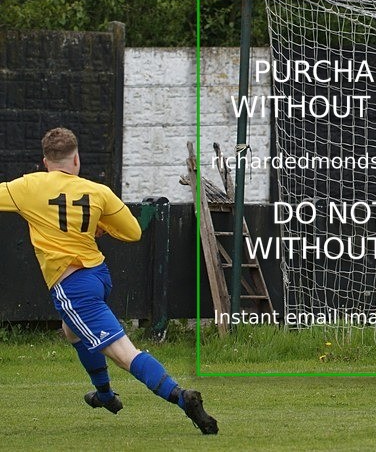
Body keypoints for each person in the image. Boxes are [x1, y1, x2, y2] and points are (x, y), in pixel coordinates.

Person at [0, 127, 218, 434]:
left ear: (45, 161)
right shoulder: (97, 191)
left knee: (122, 353)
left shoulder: (27, 186)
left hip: (72, 285)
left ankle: (182, 397)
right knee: (72, 330)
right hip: (98, 275)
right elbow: (132, 232)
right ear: (76, 160)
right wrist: (101, 225)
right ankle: (104, 395)